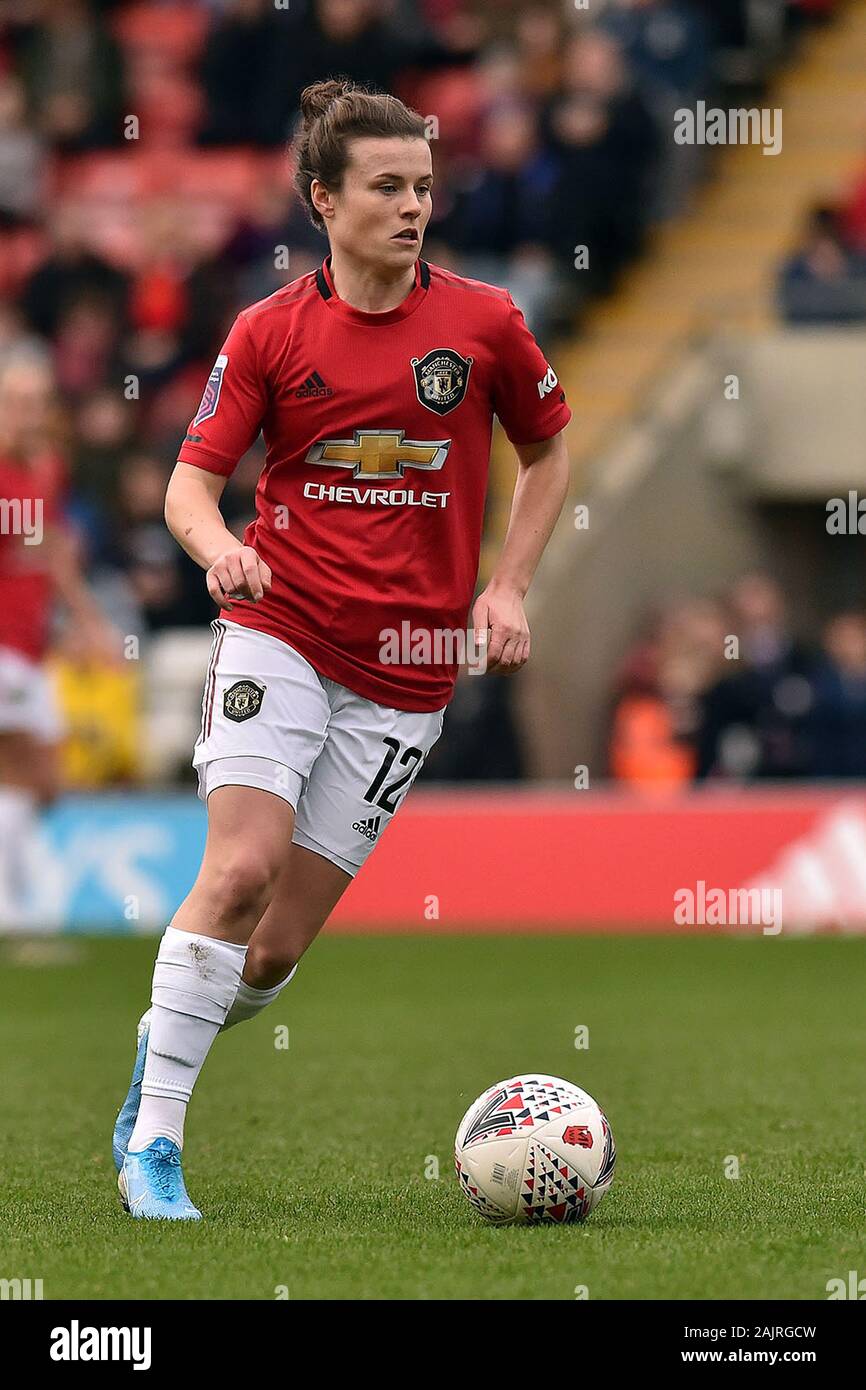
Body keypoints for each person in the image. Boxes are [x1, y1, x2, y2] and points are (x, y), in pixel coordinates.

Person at [112, 78, 572, 1220]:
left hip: (408, 674)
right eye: (385, 187)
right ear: (323, 199)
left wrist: (506, 586)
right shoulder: (269, 331)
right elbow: (188, 489)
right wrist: (222, 549)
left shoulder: (482, 324)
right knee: (238, 870)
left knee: (267, 956)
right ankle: (156, 1146)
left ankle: (159, 1041)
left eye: (422, 185)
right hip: (282, 629)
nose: (412, 206)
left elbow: (549, 451)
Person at [0, 352, 118, 925]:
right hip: (4, 652)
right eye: (18, 404)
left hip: (28, 648)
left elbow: (52, 557)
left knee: (38, 779)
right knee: (31, 770)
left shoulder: (44, 469)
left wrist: (86, 625)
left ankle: (13, 904)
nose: (30, 414)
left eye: (39, 404)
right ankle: (12, 909)